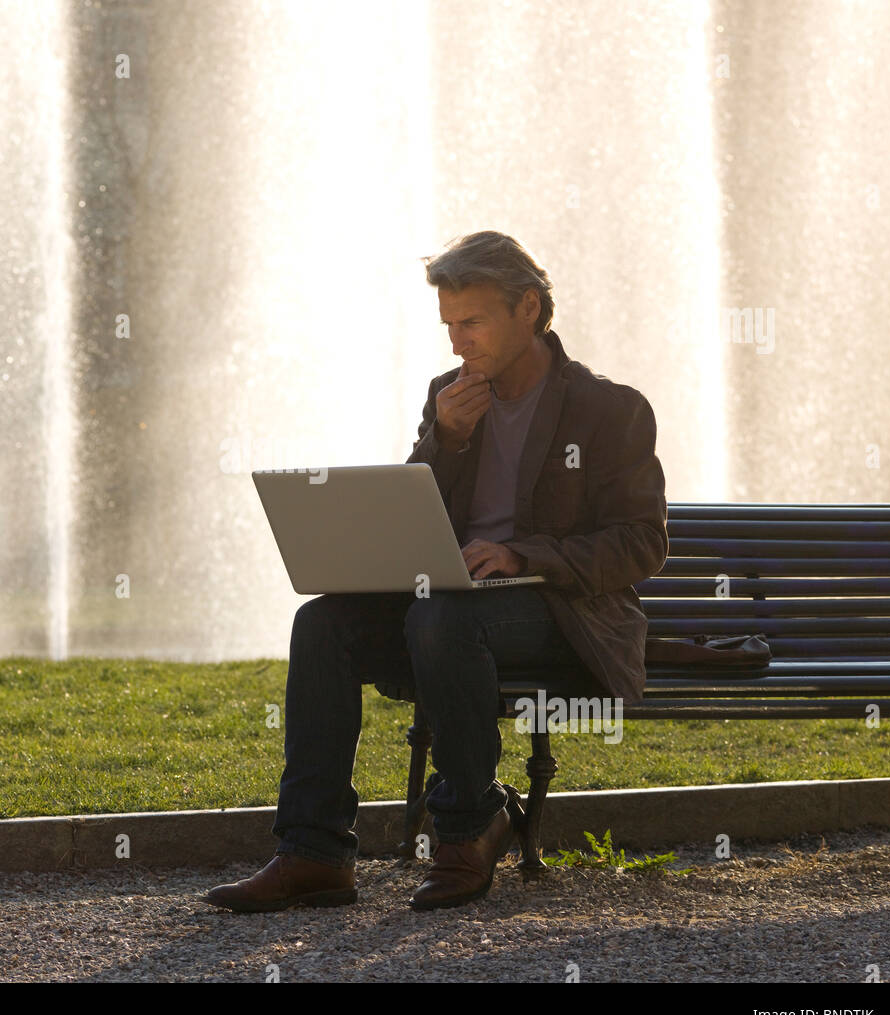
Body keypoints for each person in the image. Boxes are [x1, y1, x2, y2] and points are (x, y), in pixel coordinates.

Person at [204, 231, 668, 912]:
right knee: (323, 623)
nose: (457, 342)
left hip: (558, 613)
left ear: (530, 308)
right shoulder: (447, 396)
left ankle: (466, 825)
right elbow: (418, 512)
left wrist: (523, 555)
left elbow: (641, 543)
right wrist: (443, 441)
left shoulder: (610, 408)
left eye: (471, 321)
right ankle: (313, 852)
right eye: (449, 325)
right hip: (449, 609)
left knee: (443, 615)